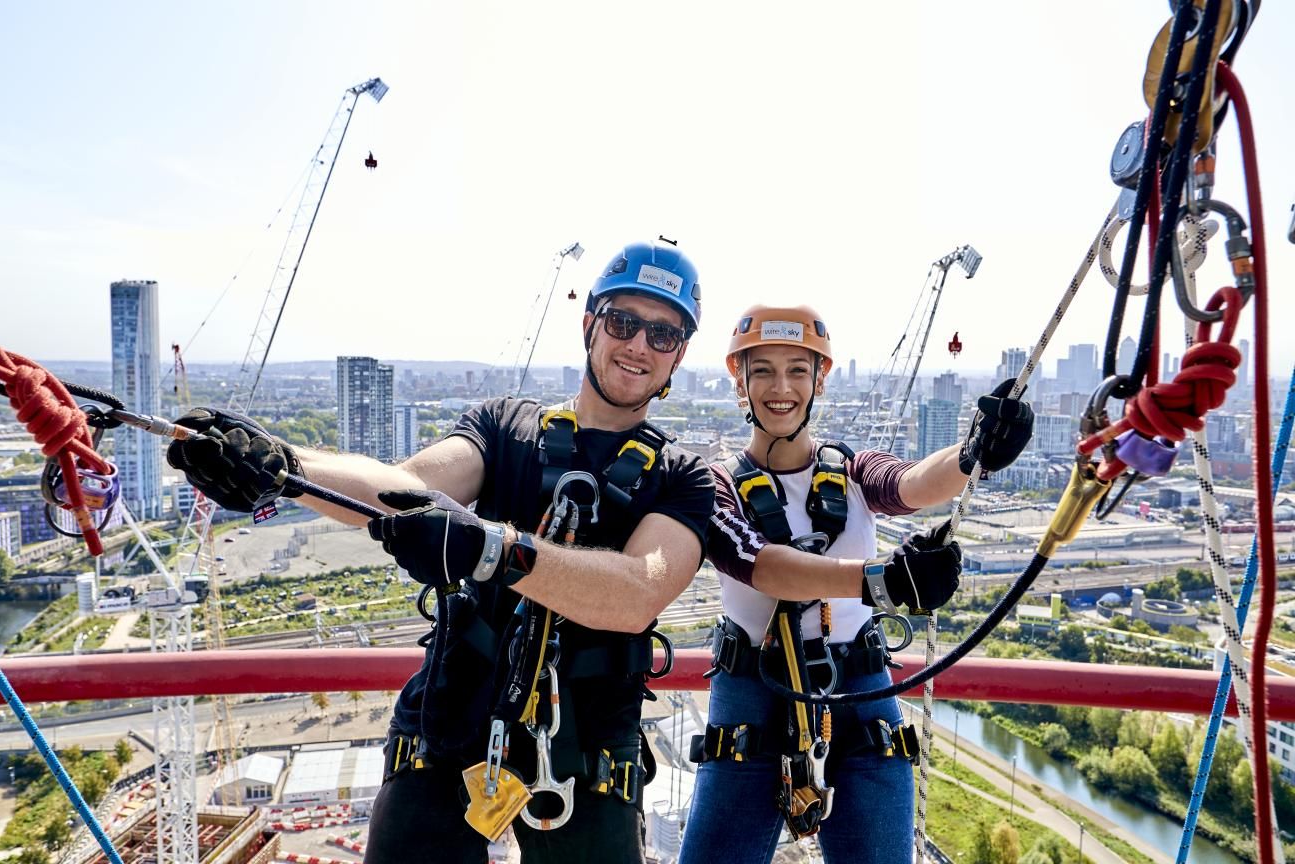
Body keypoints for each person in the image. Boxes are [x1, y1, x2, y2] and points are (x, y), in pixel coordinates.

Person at [166, 239, 715, 863]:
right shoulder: (505, 427)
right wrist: (285, 466)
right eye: (623, 322)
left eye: (662, 334)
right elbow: (409, 489)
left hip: (588, 758)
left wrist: (493, 551)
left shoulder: (684, 477)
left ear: (679, 355)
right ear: (590, 323)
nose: (639, 345)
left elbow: (635, 595)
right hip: (447, 728)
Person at [679, 305, 1034, 864]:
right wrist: (882, 583)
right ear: (739, 380)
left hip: (861, 691)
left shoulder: (849, 470)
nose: (781, 388)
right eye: (764, 370)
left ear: (821, 378)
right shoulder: (713, 486)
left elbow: (910, 484)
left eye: (798, 370)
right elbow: (761, 564)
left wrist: (971, 456)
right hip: (754, 693)